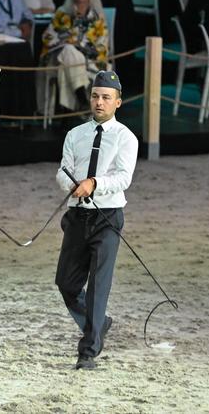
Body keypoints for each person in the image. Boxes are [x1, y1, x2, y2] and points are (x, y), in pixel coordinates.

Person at [55, 70, 138, 371]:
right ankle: (99, 323)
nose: (99, 102)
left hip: (108, 218)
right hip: (77, 216)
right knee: (65, 283)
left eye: (105, 97)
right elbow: (62, 171)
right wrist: (71, 184)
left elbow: (123, 178)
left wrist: (94, 183)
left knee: (98, 286)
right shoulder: (74, 135)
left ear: (118, 102)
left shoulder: (125, 138)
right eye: (95, 96)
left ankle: (87, 352)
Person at [37, 0, 108, 115]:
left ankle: (68, 114)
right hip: (57, 56)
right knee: (68, 50)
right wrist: (67, 41)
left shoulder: (97, 17)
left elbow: (102, 45)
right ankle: (82, 99)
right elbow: (47, 37)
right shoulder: (62, 13)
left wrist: (79, 46)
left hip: (88, 60)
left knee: (67, 65)